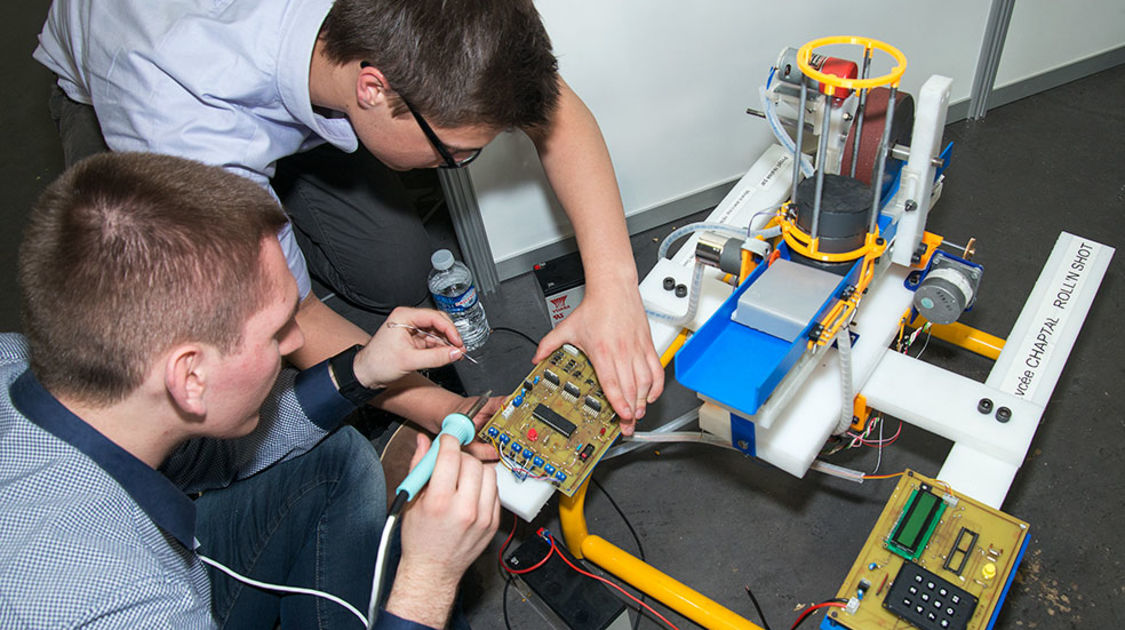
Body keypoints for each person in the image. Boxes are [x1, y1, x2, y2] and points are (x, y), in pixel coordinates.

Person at [33, 0, 664, 431]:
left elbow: (553, 109)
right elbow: (293, 313)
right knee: (218, 321)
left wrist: (614, 290)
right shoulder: (178, 114)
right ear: (374, 89)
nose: (466, 161)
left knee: (396, 271)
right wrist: (451, 412)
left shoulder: (408, 34)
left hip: (290, 81)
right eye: (457, 153)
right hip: (119, 84)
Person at [0, 152, 499, 629]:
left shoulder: (25, 363)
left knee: (336, 460)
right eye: (276, 333)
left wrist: (361, 369)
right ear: (189, 377)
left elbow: (189, 458)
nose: (298, 341)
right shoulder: (118, 603)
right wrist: (428, 579)